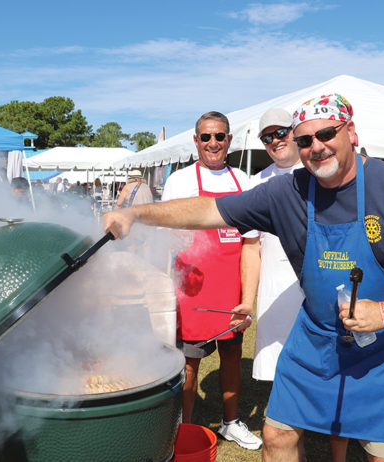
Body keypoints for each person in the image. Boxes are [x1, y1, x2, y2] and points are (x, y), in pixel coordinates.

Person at [103, 94, 384, 462]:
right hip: (315, 341)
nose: (316, 147)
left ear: (350, 131)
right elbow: (211, 208)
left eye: (326, 134)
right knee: (276, 436)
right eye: (305, 140)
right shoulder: (287, 191)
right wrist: (139, 214)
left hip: (382, 347)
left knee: (381, 455)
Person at [159, 111, 262, 450]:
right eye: (206, 137)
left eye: (220, 136)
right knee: (189, 363)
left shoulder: (245, 182)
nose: (213, 143)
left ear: (229, 140)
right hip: (192, 290)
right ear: (196, 141)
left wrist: (248, 297)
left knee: (232, 356)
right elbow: (165, 234)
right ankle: (184, 428)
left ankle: (231, 422)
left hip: (231, 288)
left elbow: (251, 244)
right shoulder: (180, 181)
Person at [242, 108, 305, 382]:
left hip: (313, 280)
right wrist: (247, 300)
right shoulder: (256, 183)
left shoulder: (317, 172)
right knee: (279, 366)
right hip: (274, 286)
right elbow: (250, 246)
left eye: (281, 132)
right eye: (267, 138)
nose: (276, 141)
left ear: (295, 132)